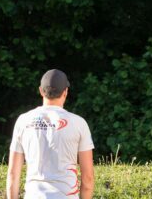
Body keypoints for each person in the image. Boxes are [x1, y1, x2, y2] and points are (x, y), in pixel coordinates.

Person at [7, 69, 95, 199]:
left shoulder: (23, 120)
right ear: (65, 92)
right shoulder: (79, 123)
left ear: (41, 91)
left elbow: (13, 174)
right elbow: (87, 178)